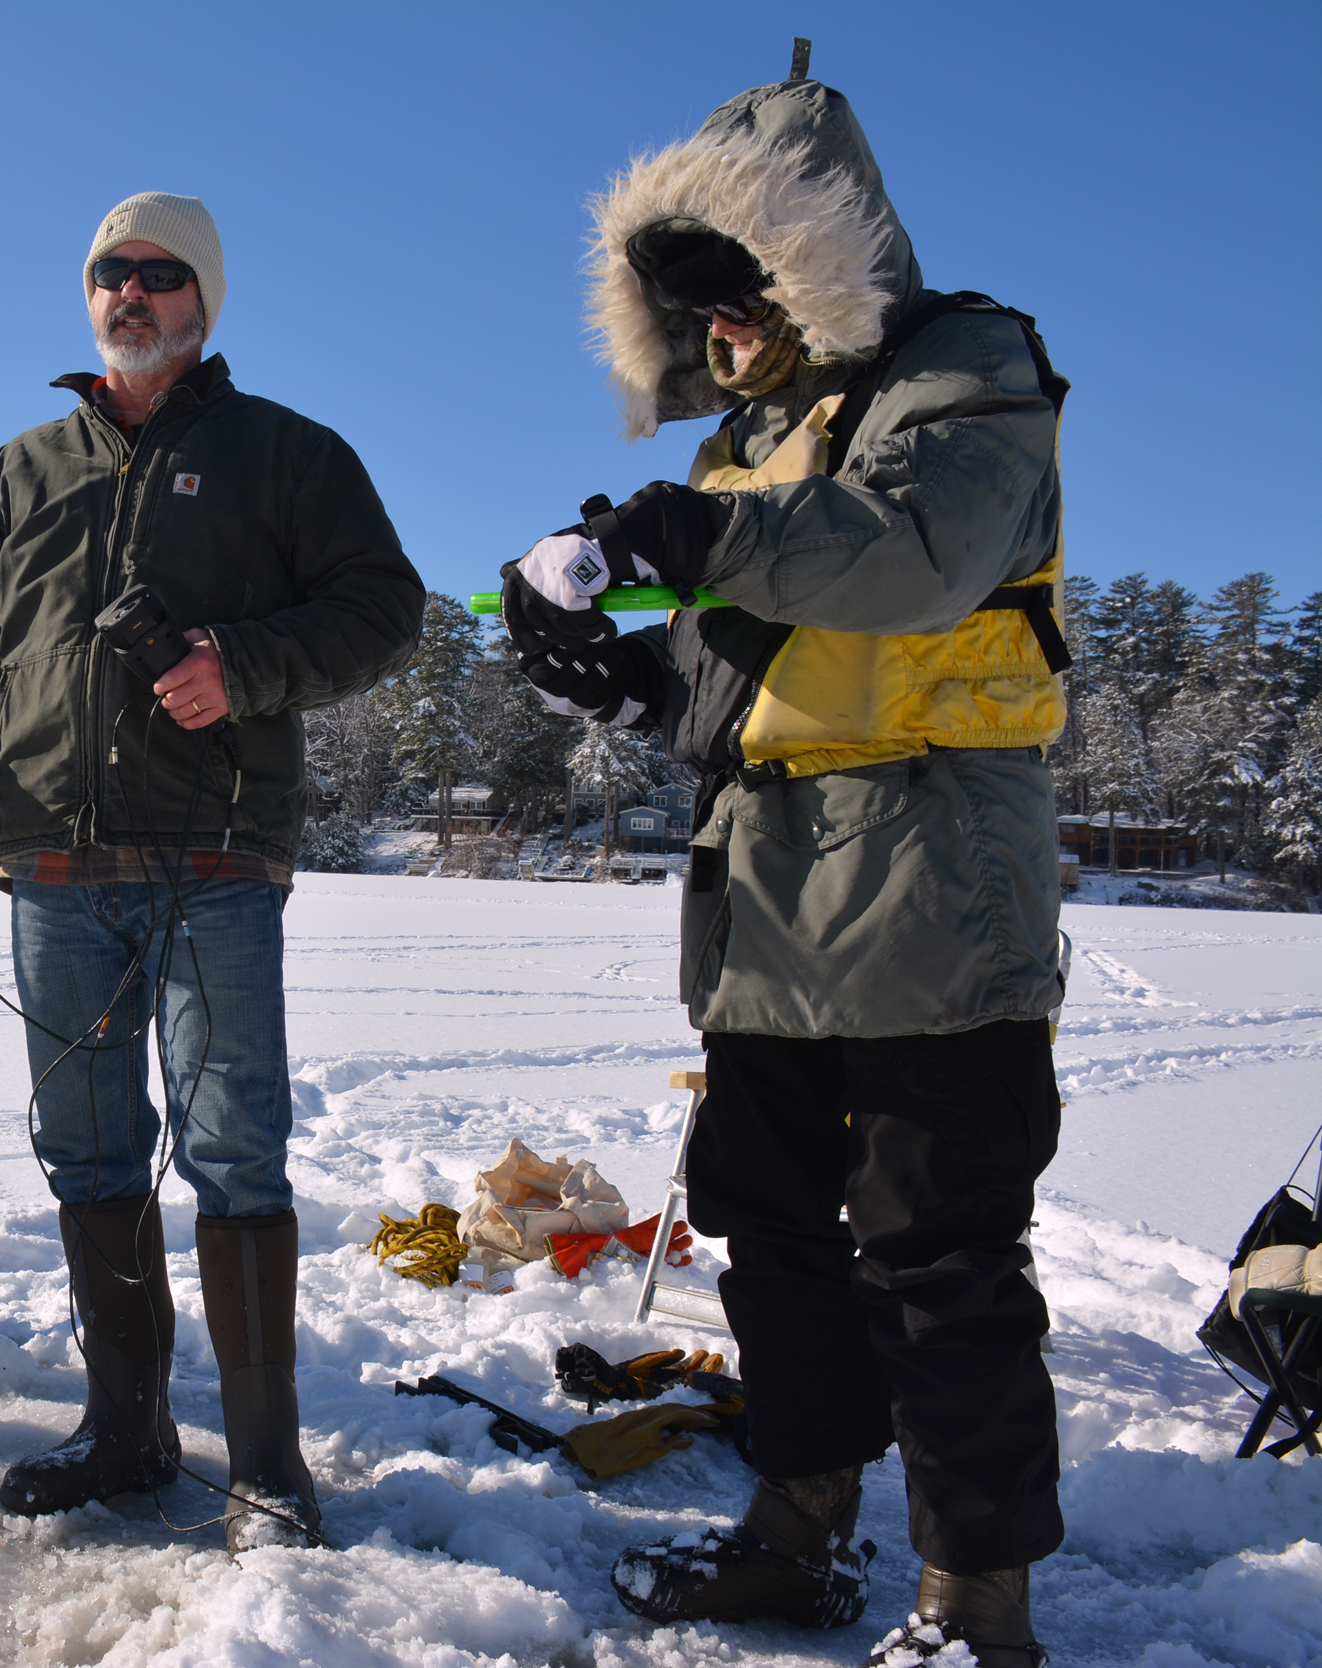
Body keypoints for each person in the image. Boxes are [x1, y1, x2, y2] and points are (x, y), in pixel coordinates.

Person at [500, 47, 1069, 1668]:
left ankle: (978, 1610)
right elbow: (739, 676)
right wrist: (610, 661)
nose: (720, 336)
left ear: (811, 259)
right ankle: (800, 1517)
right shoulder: (741, 444)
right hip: (763, 917)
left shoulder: (969, 370)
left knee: (940, 1255)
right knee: (776, 1236)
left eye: (738, 295)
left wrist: (683, 540)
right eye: (695, 314)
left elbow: (910, 554)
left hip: (930, 906)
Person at [0, 193, 423, 1551]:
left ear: (205, 298)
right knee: (87, 1147)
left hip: (217, 859)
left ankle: (267, 1465)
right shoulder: (20, 471)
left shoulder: (287, 455)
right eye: (113, 274)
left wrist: (243, 666)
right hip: (53, 865)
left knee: (234, 1150)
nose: (133, 293)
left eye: (162, 276)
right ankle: (127, 1431)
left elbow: (382, 608)